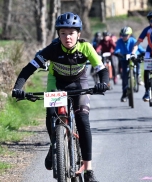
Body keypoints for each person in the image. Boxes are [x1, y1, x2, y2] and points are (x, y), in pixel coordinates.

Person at [11, 12, 108, 182]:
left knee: (83, 120)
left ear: (79, 34)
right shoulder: (52, 49)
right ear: (58, 34)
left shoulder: (86, 48)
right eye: (63, 33)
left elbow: (101, 69)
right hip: (57, 83)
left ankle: (89, 171)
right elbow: (28, 68)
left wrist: (103, 83)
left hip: (80, 83)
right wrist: (17, 88)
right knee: (51, 115)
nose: (67, 37)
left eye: (71, 33)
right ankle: (54, 143)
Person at [114, 26, 145, 102]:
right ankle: (124, 94)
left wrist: (143, 53)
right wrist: (118, 54)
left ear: (130, 35)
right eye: (123, 35)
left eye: (126, 35)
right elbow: (116, 50)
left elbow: (140, 49)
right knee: (124, 77)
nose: (124, 37)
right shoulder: (119, 41)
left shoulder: (133, 40)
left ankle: (138, 75)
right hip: (124, 59)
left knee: (138, 62)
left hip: (133, 58)